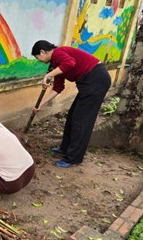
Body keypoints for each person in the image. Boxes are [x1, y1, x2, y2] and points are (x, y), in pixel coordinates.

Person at [31, 40, 111, 168]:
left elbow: (70, 63)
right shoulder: (55, 65)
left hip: (96, 79)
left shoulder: (58, 52)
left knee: (81, 120)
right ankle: (65, 148)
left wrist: (48, 75)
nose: (39, 60)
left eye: (37, 57)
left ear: (42, 52)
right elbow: (58, 88)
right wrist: (41, 104)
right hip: (88, 84)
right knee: (73, 116)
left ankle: (74, 158)